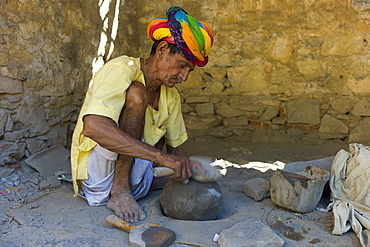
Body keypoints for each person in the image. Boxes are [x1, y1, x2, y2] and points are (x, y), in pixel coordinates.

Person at [70, 6, 214, 223]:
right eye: (182, 66)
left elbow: (175, 149)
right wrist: (162, 158)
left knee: (180, 173)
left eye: (189, 71)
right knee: (137, 94)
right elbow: (93, 126)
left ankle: (129, 188)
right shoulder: (121, 69)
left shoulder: (170, 95)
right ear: (162, 49)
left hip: (138, 185)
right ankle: (119, 192)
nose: (184, 77)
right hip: (98, 182)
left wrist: (189, 172)